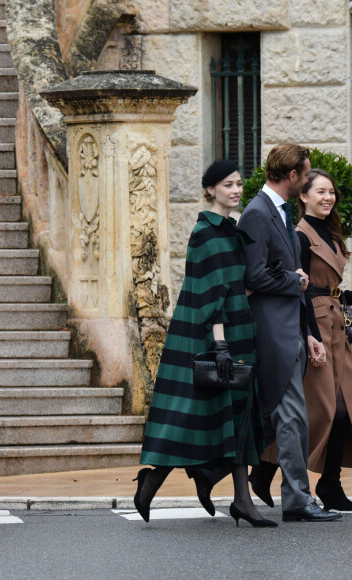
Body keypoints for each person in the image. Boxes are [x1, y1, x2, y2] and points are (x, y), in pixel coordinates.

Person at [134, 159, 276, 528]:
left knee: (238, 417)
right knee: (193, 416)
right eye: (228, 184)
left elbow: (234, 285)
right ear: (210, 189)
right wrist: (220, 345)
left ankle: (240, 499)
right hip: (215, 336)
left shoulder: (230, 230)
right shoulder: (204, 233)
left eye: (239, 184)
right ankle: (152, 480)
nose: (235, 189)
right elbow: (210, 295)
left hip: (239, 331)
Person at [239, 144, 340, 522]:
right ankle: (297, 500)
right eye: (306, 173)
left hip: (291, 329)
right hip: (271, 333)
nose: (309, 179)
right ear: (294, 176)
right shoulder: (257, 213)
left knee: (282, 419)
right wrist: (292, 280)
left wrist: (308, 333)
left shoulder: (278, 212)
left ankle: (282, 493)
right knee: (292, 418)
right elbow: (253, 275)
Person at [296, 169, 352, 510]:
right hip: (316, 324)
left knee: (343, 410)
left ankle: (330, 484)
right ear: (303, 196)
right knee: (322, 411)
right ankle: (266, 466)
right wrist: (309, 334)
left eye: (331, 192)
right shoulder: (300, 236)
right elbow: (300, 290)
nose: (328, 197)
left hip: (337, 323)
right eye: (320, 192)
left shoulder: (332, 231)